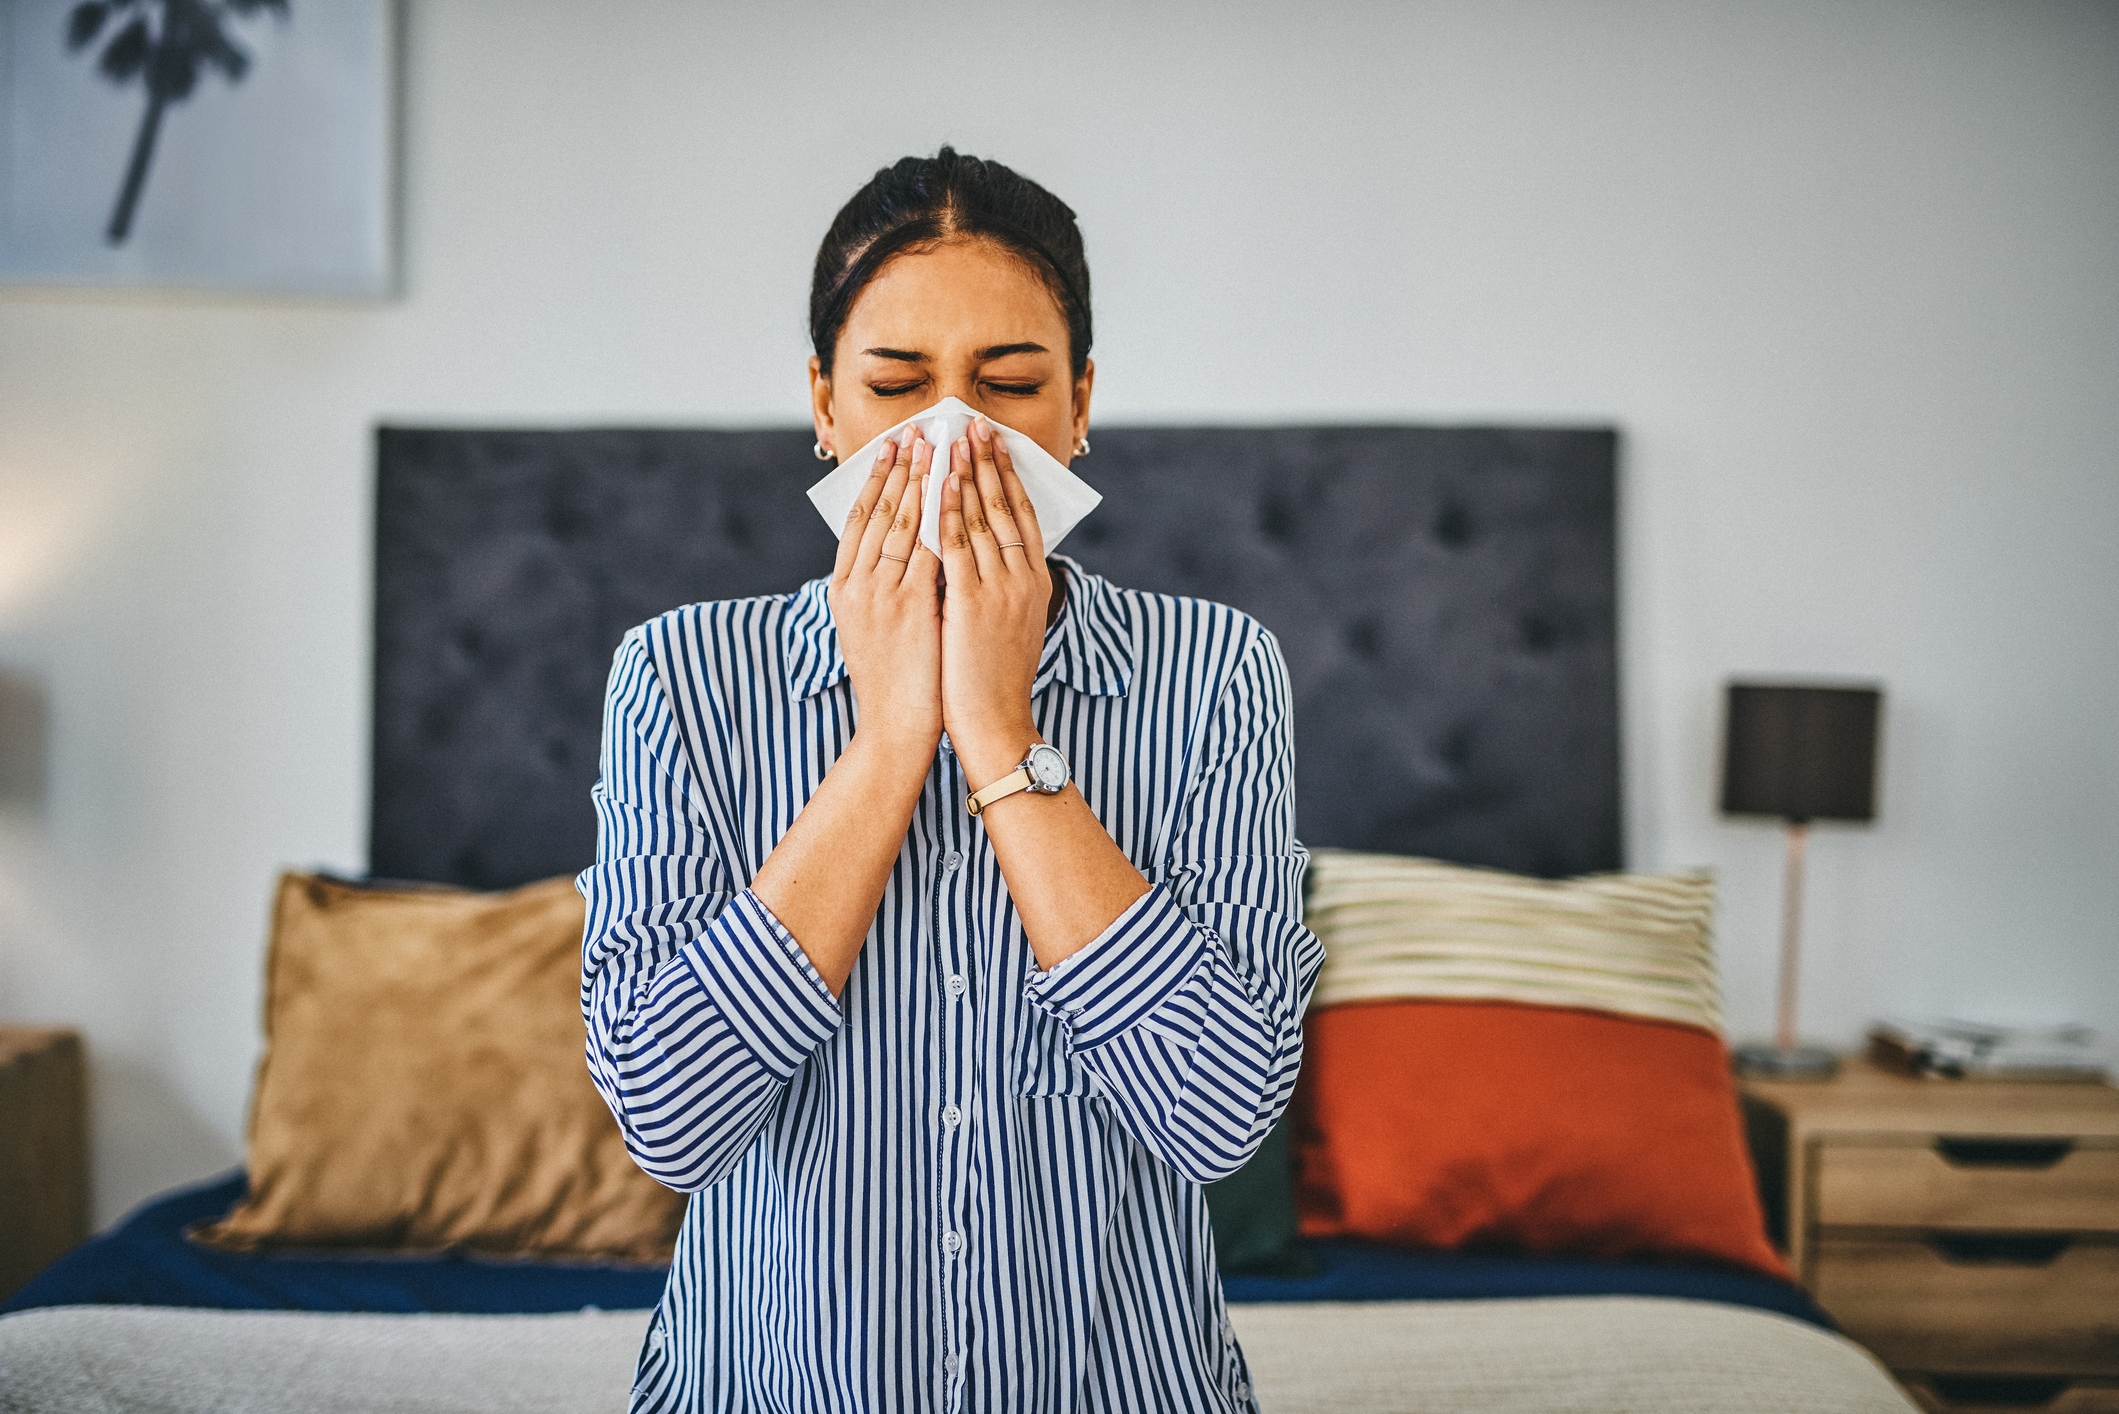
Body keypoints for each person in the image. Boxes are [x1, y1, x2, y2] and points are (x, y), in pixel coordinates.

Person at [578, 148, 1323, 1414]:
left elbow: (1215, 1113)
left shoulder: (1214, 676)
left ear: (1079, 405)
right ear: (823, 403)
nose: (950, 439)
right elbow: (669, 1119)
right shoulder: (679, 679)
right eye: (894, 384)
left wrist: (993, 727)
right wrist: (885, 747)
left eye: (1011, 383)